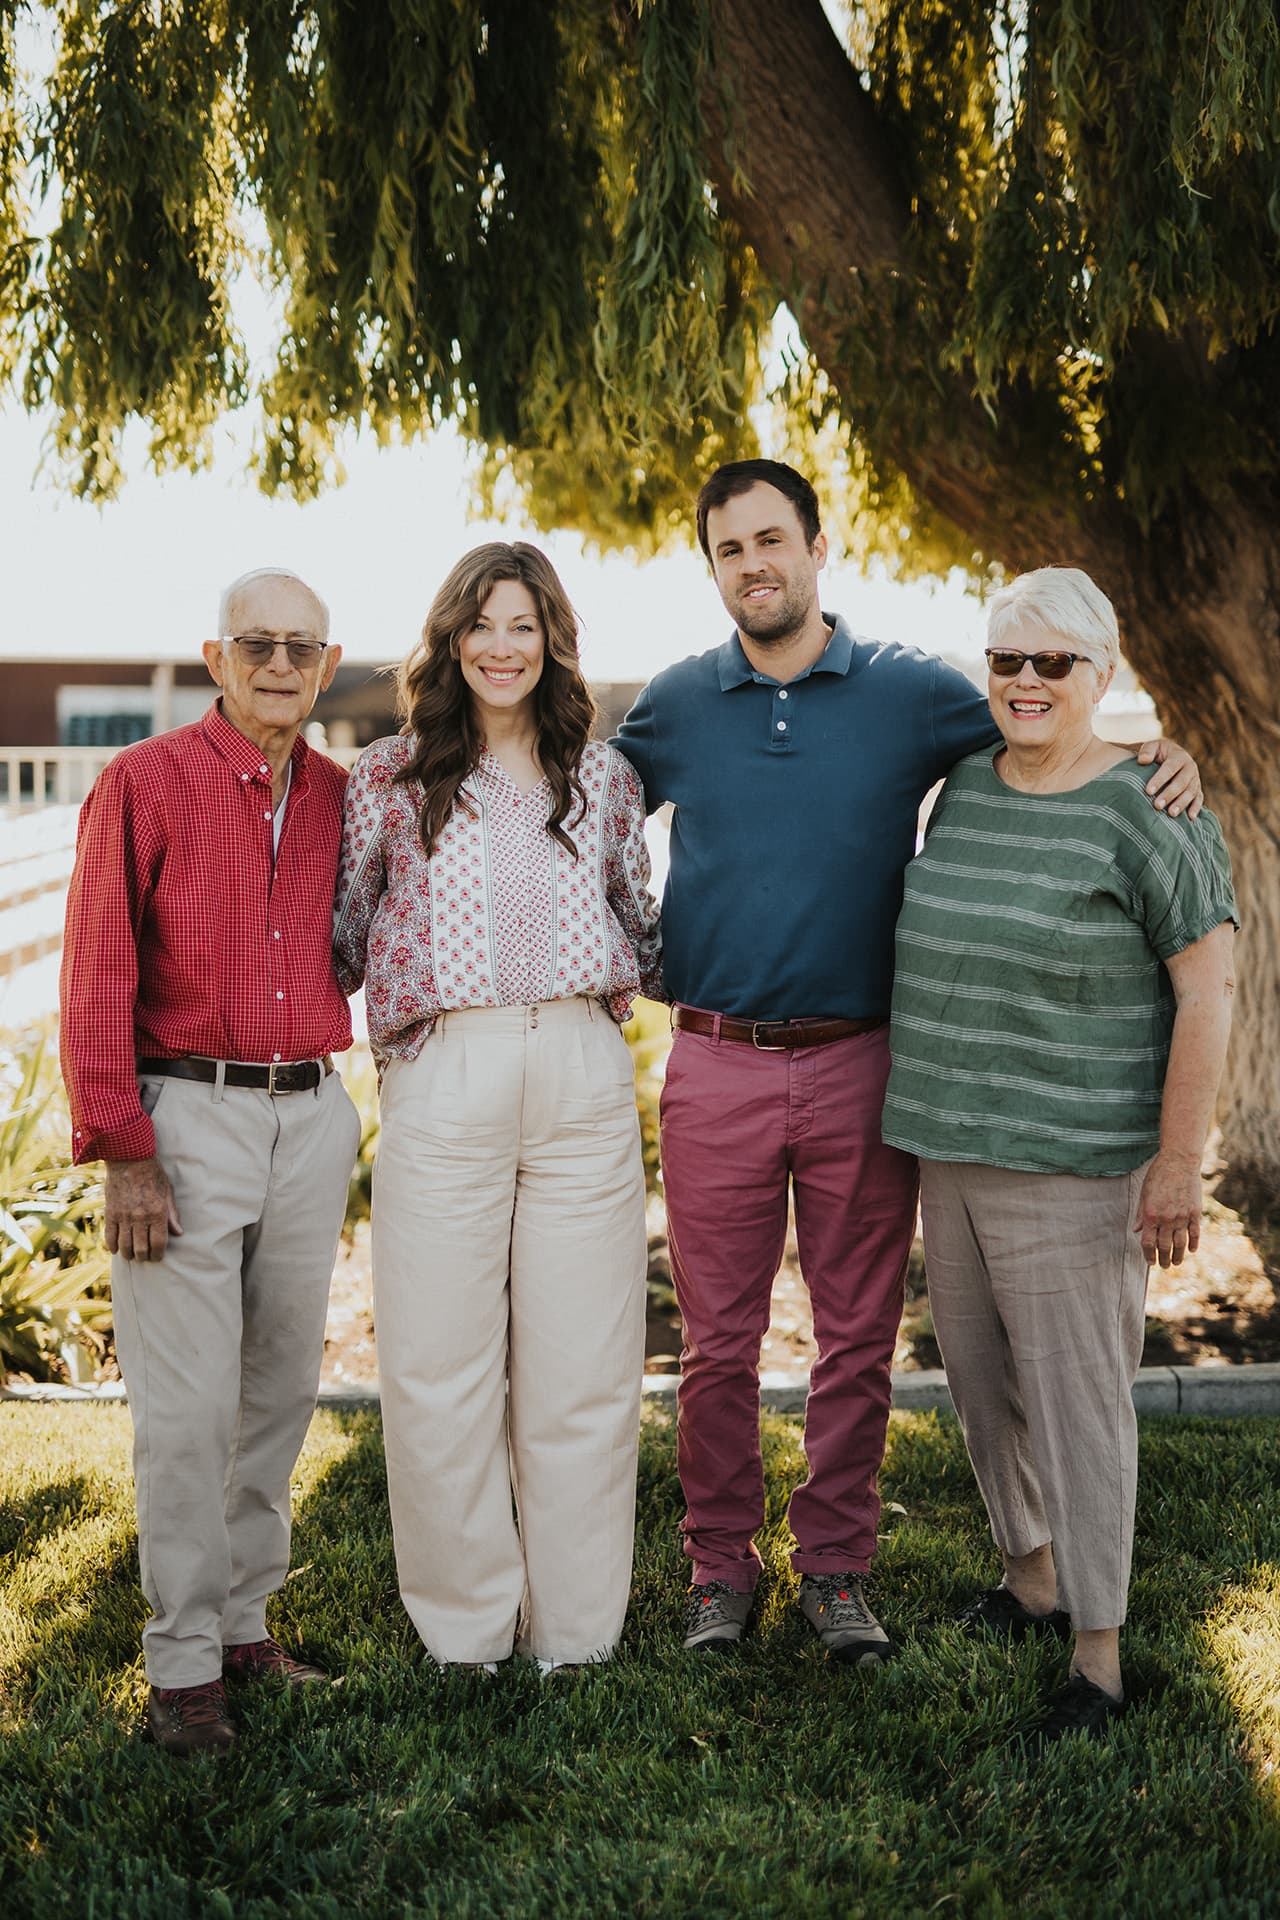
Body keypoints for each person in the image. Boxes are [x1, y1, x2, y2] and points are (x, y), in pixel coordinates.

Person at [612, 459, 1203, 1662]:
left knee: (854, 1336)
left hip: (860, 1065)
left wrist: (1159, 749)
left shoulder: (909, 693)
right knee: (715, 1343)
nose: (752, 565)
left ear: (818, 546)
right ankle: (718, 1570)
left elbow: (1046, 714)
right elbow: (578, 803)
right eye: (729, 550)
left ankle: (834, 1568)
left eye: (771, 539)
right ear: (713, 567)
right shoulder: (674, 703)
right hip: (716, 1059)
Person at [882, 566, 1236, 1739]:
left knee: (1079, 1405)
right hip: (951, 1146)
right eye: (1006, 660)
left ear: (1101, 674)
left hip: (1078, 1163)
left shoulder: (1149, 807)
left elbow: (1209, 991)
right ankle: (1029, 1577)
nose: (1024, 682)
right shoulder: (965, 786)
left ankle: (1097, 1655)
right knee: (984, 1389)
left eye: (1052, 663)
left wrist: (1176, 1164)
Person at [333, 541, 660, 1674]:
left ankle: (574, 1636)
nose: (501, 646)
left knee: (583, 1369)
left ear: (551, 639)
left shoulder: (604, 778)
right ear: (450, 640)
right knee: (438, 1365)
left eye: (522, 625)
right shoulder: (386, 780)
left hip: (578, 1071)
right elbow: (345, 932)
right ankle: (466, 1630)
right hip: (447, 1075)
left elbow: (639, 917)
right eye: (481, 624)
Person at [60, 568, 362, 1755]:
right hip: (183, 1117)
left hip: (310, 1114)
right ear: (215, 656)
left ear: (328, 667)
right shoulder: (143, 784)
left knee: (279, 1392)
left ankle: (246, 1627)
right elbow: (94, 973)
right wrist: (123, 1150)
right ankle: (182, 1667)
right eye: (256, 643)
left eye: (301, 647)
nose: (279, 663)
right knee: (187, 1411)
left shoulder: (343, 794)